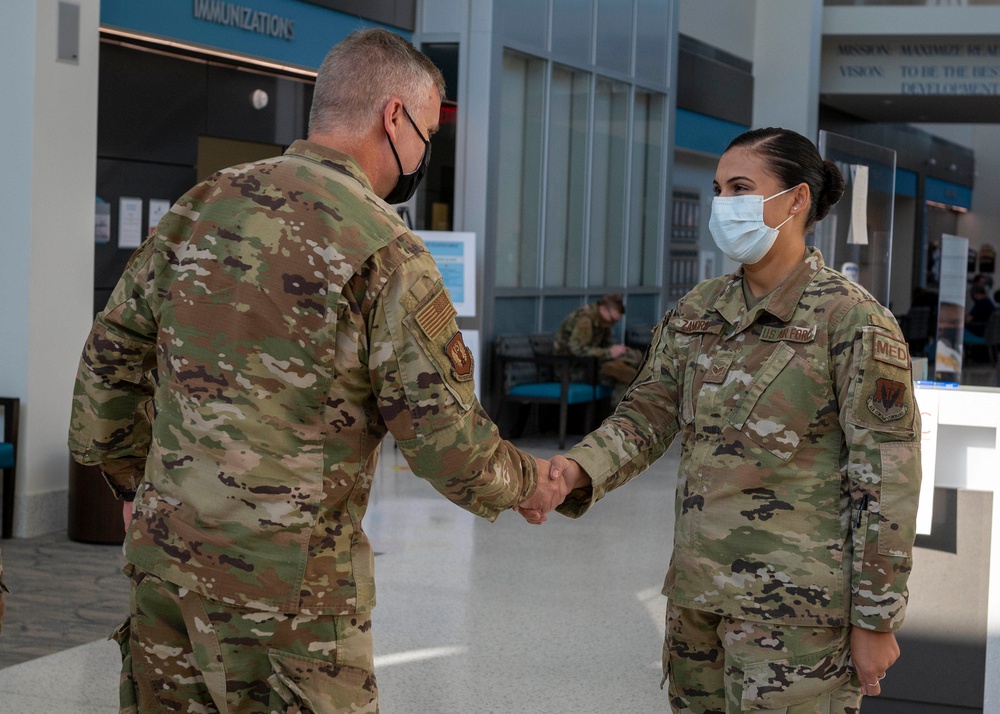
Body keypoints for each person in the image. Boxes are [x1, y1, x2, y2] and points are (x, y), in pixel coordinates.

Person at [68, 28, 566, 713]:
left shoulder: (201, 206)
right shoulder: (386, 249)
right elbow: (447, 444)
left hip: (166, 572)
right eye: (426, 132)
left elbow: (106, 366)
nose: (423, 154)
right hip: (292, 602)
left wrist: (137, 486)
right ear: (393, 117)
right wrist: (530, 482)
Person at [526, 127, 922, 712]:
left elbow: (886, 479)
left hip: (796, 618)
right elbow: (646, 413)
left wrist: (876, 617)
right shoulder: (698, 310)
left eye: (741, 187)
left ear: (796, 199)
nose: (724, 204)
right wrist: (574, 471)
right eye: (718, 189)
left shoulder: (852, 320)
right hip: (697, 600)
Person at [553, 293, 644, 398]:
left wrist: (617, 351)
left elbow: (605, 345)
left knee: (633, 360)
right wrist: (609, 352)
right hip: (572, 369)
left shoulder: (603, 321)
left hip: (592, 365)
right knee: (625, 375)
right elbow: (578, 350)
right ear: (603, 310)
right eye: (612, 319)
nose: (612, 324)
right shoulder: (586, 319)